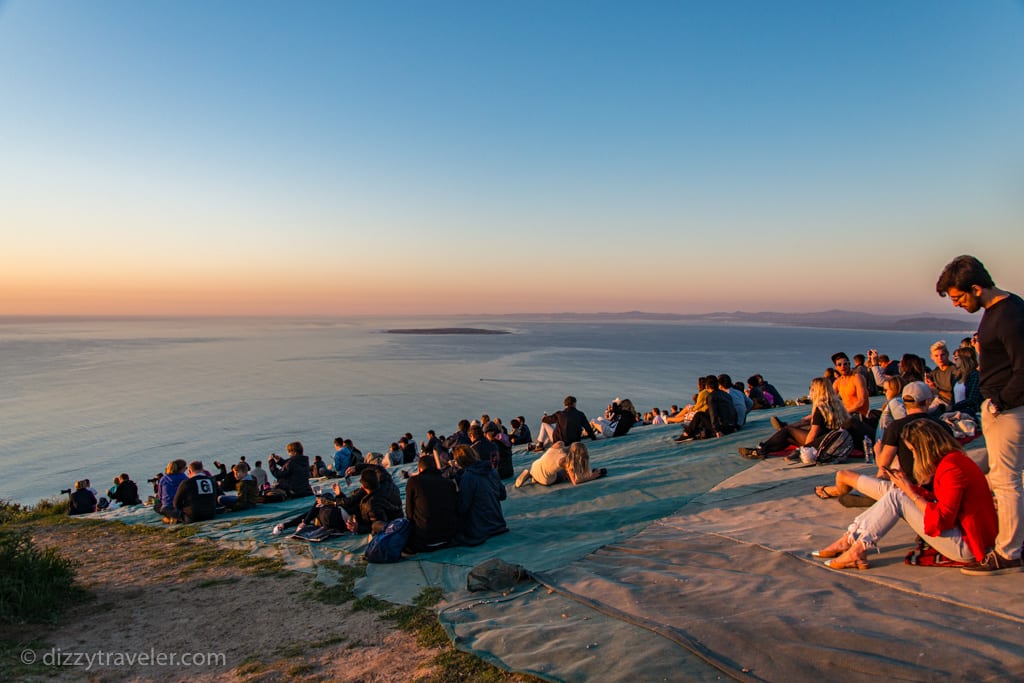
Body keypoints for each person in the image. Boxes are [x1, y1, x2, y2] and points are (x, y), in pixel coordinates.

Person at [811, 420, 996, 571]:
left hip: (968, 545)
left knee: (897, 497)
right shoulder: (954, 460)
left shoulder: (951, 469)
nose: (914, 457)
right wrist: (909, 488)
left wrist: (909, 491)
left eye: (914, 451)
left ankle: (855, 548)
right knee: (896, 492)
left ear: (924, 448)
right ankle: (850, 541)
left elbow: (942, 519)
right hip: (969, 535)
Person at [937, 254, 1024, 573]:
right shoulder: (1005, 309)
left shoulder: (1008, 316)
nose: (957, 304)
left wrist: (999, 402)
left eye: (959, 297)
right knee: (1008, 478)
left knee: (1005, 481)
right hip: (1007, 407)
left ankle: (1009, 550)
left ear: (976, 288)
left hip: (1010, 410)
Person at [816, 381, 952, 500]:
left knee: (843, 475)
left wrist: (877, 451)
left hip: (908, 488)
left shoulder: (897, 427)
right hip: (941, 486)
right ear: (927, 401)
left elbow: (883, 465)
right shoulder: (943, 426)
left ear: (904, 403)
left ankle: (831, 491)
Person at [738, 377, 850, 458]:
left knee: (787, 431)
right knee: (788, 436)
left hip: (821, 442)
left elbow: (813, 433)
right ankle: (766, 447)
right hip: (832, 438)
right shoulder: (837, 404)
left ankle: (761, 450)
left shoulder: (820, 408)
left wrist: (804, 450)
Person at [452, 445, 508, 546]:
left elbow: (463, 507)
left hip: (480, 528)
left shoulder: (468, 477)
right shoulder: (492, 470)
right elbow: (503, 495)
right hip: (498, 523)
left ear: (460, 461)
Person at [404, 455, 458, 554]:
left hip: (424, 539)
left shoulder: (414, 481)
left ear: (420, 469)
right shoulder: (449, 483)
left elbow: (409, 513)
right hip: (449, 536)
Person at [515, 441, 607, 488]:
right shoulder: (566, 461)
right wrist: (592, 476)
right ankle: (536, 478)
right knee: (563, 475)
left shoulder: (559, 444)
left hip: (534, 465)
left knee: (552, 467)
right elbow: (575, 481)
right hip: (546, 480)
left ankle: (531, 474)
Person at [676, 375, 737, 441]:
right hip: (732, 426)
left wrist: (717, 430)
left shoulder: (711, 396)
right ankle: (692, 431)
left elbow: (713, 413)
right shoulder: (726, 395)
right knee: (705, 414)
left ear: (707, 386)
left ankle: (687, 434)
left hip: (722, 429)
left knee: (699, 414)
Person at [832, 352, 870, 418]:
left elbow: (861, 402)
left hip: (858, 415)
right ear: (836, 368)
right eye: (839, 364)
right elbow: (829, 399)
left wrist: (843, 412)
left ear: (849, 364)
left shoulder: (857, 378)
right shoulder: (838, 382)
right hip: (847, 414)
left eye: (845, 364)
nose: (843, 366)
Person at [950, 345, 982, 417]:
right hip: (956, 412)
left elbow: (973, 399)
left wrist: (952, 407)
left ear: (963, 359)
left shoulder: (975, 375)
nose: (954, 361)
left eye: (956, 358)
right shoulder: (957, 377)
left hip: (970, 414)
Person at [927, 340, 957, 410]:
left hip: (952, 405)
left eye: (942, 355)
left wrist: (936, 389)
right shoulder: (934, 373)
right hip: (938, 402)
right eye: (936, 356)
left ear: (947, 354)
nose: (940, 358)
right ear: (932, 357)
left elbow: (954, 397)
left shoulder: (954, 371)